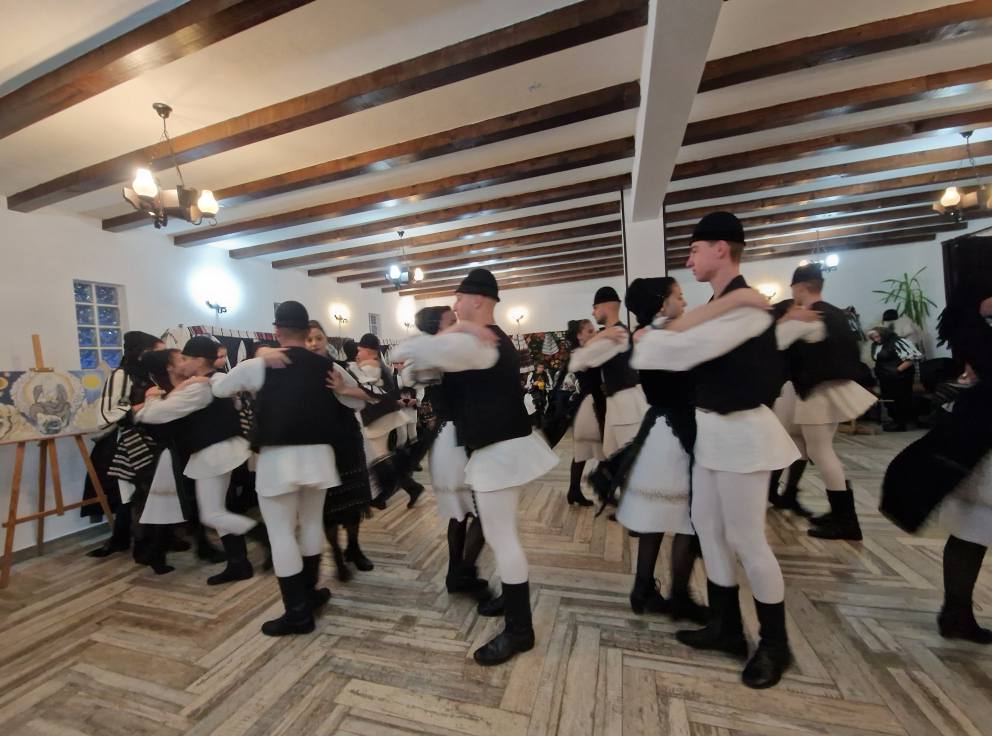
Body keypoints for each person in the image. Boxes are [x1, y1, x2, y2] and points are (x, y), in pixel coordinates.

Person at [638, 212, 802, 689]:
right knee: (707, 528)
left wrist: (656, 335)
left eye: (694, 250)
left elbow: (671, 352)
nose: (689, 260)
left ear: (721, 249)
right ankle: (727, 627)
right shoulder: (728, 303)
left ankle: (776, 644)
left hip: (743, 433)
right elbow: (664, 346)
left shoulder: (744, 309)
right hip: (712, 432)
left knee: (748, 540)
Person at [393, 269, 559, 666]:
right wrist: (458, 329)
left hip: (497, 451)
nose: (454, 306)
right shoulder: (486, 337)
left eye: (459, 299)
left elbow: (405, 351)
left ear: (478, 300)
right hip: (500, 447)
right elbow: (414, 365)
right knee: (503, 535)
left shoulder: (477, 342)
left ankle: (520, 631)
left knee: (503, 539)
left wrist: (454, 331)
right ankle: (513, 604)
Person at [212, 301, 366, 636]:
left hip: (278, 459)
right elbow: (355, 400)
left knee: (281, 533)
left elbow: (219, 387)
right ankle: (309, 595)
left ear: (277, 330)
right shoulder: (327, 365)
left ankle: (297, 614)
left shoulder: (261, 364)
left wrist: (258, 356)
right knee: (310, 524)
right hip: (319, 458)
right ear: (307, 331)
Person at [882, 278, 992, 644]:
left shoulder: (973, 329)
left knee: (973, 528)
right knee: (973, 527)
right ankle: (956, 614)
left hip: (978, 429)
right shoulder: (974, 327)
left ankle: (956, 614)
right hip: (981, 433)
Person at [612, 277, 707, 624]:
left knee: (657, 517)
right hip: (676, 431)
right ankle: (679, 597)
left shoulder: (649, 334)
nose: (684, 302)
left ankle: (643, 590)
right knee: (688, 519)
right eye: (679, 296)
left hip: (661, 430)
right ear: (662, 304)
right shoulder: (655, 336)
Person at [133, 337, 258, 585]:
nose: (183, 363)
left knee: (211, 512)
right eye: (179, 359)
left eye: (185, 358)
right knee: (213, 510)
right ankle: (238, 561)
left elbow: (153, 414)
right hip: (204, 453)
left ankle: (259, 538)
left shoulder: (200, 385)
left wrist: (150, 400)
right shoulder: (204, 382)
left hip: (209, 454)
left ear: (198, 361)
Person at [775, 264, 878, 541]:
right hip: (830, 387)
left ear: (800, 287)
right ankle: (800, 498)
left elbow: (774, 342)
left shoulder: (807, 317)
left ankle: (846, 521)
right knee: (802, 441)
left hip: (818, 391)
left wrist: (784, 320)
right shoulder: (834, 313)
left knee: (821, 452)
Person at [402, 306, 490, 599]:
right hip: (451, 439)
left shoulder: (447, 353)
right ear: (436, 327)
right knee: (479, 511)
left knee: (462, 513)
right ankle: (462, 574)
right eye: (451, 321)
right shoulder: (437, 355)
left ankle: (457, 574)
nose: (458, 324)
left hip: (453, 438)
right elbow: (410, 374)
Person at [84, 331, 164, 558]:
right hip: (126, 441)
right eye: (157, 352)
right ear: (142, 352)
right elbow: (107, 413)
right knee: (129, 493)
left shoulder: (152, 375)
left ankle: (150, 540)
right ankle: (130, 541)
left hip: (150, 438)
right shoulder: (121, 375)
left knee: (148, 492)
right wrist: (146, 402)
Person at [306, 320, 374, 581]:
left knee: (354, 501)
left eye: (318, 338)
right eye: (308, 339)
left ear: (326, 341)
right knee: (328, 507)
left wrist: (343, 389)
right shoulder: (298, 371)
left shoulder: (337, 368)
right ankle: (335, 554)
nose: (313, 344)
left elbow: (368, 396)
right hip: (318, 445)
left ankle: (354, 548)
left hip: (346, 442)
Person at [570, 287, 648, 457]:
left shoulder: (616, 334)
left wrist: (599, 337)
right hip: (618, 404)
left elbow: (577, 362)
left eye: (595, 308)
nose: (593, 312)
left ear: (606, 306)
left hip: (625, 407)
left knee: (628, 461)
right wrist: (600, 336)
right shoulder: (611, 333)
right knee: (611, 456)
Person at [354, 333, 424, 509]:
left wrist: (347, 383)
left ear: (367, 349)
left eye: (360, 350)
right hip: (381, 417)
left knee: (380, 460)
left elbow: (368, 391)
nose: (358, 353)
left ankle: (383, 496)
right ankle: (403, 489)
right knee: (381, 459)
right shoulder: (378, 365)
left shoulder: (371, 366)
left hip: (379, 418)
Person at [561, 319, 602, 507]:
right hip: (590, 405)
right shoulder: (580, 354)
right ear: (579, 335)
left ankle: (574, 491)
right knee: (588, 451)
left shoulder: (586, 351)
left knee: (582, 453)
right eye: (590, 331)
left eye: (594, 330)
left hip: (591, 403)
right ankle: (598, 486)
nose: (594, 334)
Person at [868, 326, 921, 431]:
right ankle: (895, 421)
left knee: (901, 399)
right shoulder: (875, 345)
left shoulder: (898, 342)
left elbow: (911, 359)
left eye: (877, 336)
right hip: (885, 377)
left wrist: (897, 371)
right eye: (873, 338)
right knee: (890, 400)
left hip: (900, 377)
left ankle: (902, 423)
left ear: (883, 334)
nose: (876, 339)